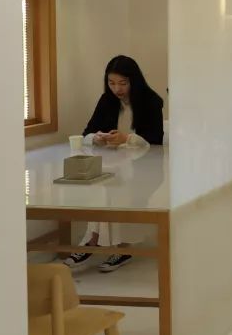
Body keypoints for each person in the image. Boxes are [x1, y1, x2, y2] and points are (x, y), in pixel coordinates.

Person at [65, 55, 165, 273]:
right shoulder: (106, 100)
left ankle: (120, 247)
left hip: (142, 166)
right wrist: (97, 137)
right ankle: (92, 240)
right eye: (111, 83)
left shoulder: (151, 102)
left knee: (119, 187)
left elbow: (155, 141)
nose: (116, 89)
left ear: (133, 80)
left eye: (122, 83)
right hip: (112, 162)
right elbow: (87, 132)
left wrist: (126, 139)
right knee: (99, 184)